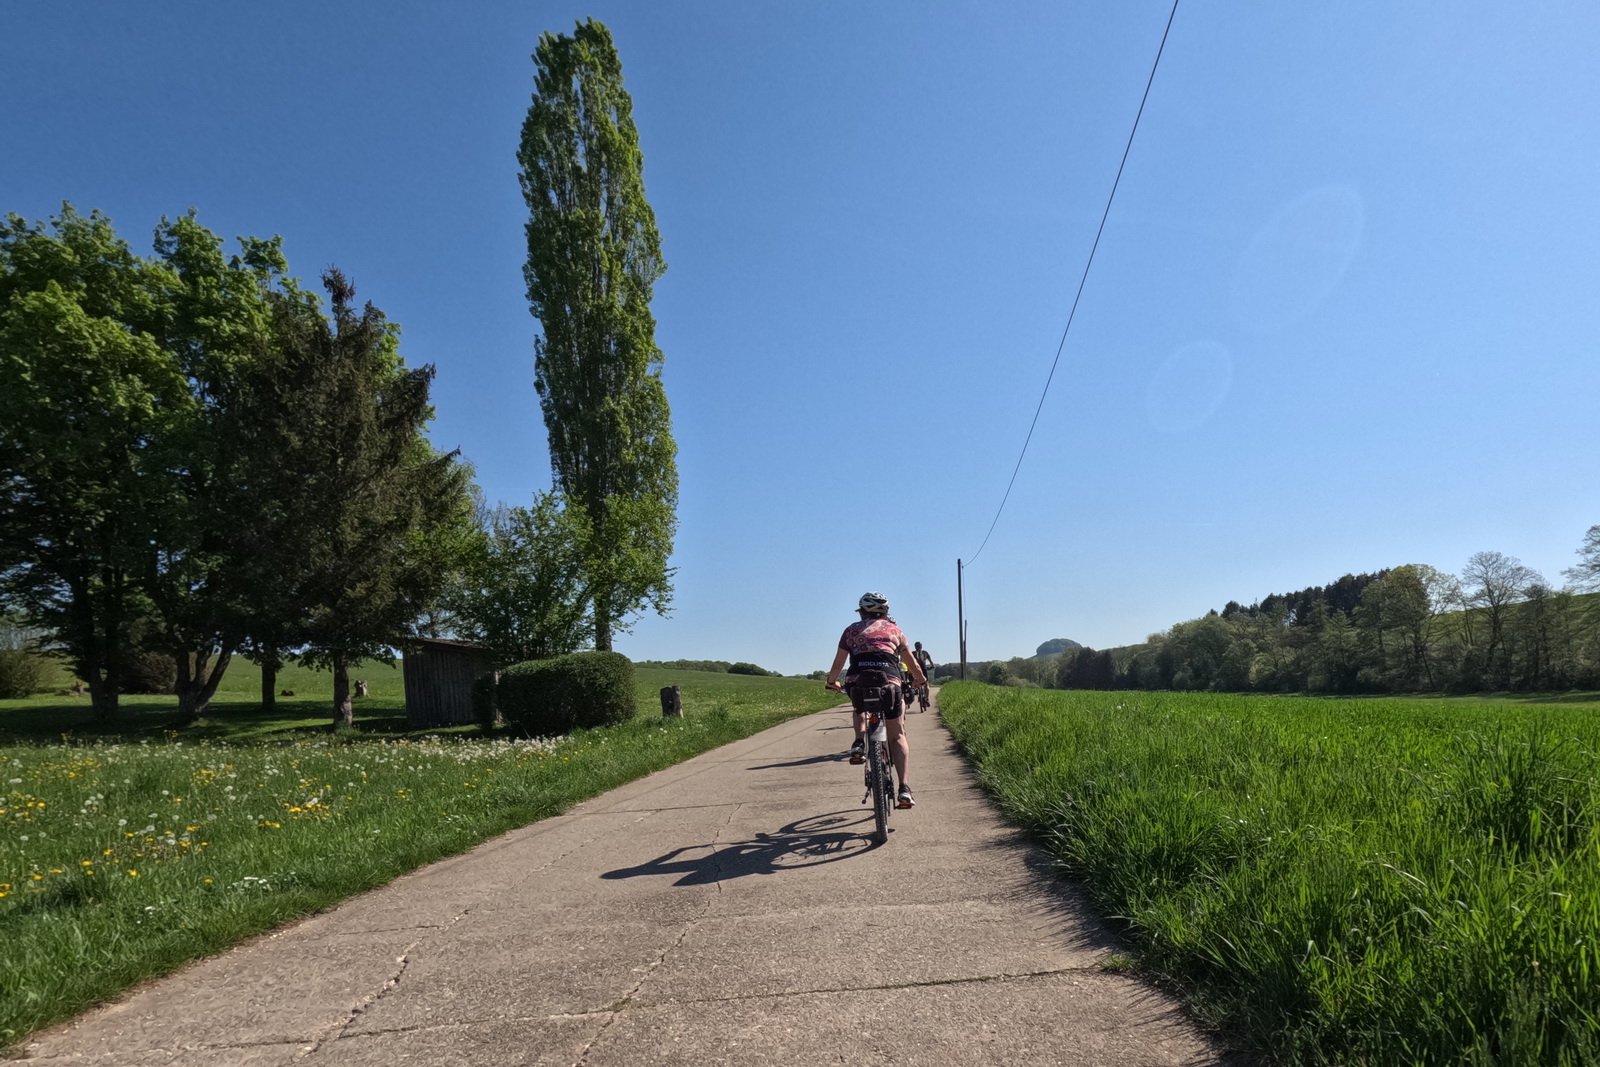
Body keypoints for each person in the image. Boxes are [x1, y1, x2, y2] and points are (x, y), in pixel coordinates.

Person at [824, 591, 927, 809]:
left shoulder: (850, 631)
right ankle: (904, 789)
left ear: (861, 612)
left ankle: (859, 743)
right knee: (897, 735)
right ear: (885, 612)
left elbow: (838, 663)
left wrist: (832, 682)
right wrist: (920, 679)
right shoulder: (895, 630)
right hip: (889, 684)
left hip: (859, 683)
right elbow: (911, 662)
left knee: (859, 706)